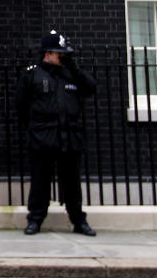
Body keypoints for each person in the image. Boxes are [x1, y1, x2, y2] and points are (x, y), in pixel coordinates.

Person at [16, 30, 97, 236]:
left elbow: (91, 88)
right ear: (47, 53)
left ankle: (78, 220)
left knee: (72, 184)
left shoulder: (70, 73)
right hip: (43, 137)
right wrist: (35, 129)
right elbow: (21, 106)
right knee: (40, 183)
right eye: (60, 53)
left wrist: (73, 66)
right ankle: (35, 220)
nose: (63, 57)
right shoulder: (33, 74)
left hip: (69, 137)